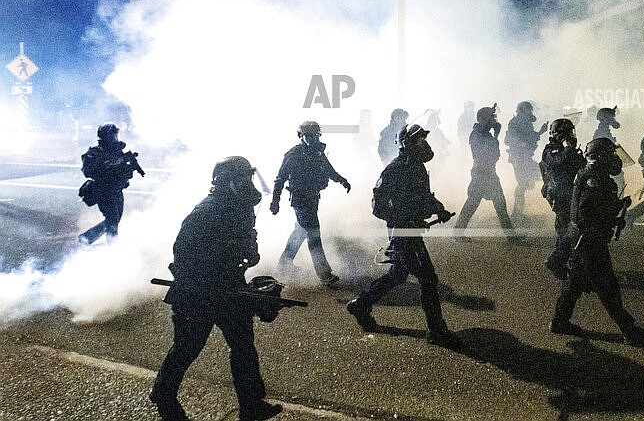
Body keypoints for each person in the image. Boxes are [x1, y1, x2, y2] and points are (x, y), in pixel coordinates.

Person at [150, 156, 283, 421]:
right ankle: (163, 392)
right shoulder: (206, 212)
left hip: (229, 286)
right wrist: (216, 269)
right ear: (225, 181)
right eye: (242, 178)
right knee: (188, 347)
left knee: (243, 344)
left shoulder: (241, 207)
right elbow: (183, 253)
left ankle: (252, 405)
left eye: (249, 177)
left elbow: (246, 241)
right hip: (197, 291)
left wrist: (249, 254)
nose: (248, 183)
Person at [346, 124, 460, 348]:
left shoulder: (416, 167)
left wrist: (439, 209)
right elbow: (377, 206)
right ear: (406, 143)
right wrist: (401, 220)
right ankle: (436, 329)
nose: (424, 144)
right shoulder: (395, 169)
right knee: (428, 277)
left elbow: (423, 197)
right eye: (419, 141)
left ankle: (361, 304)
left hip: (410, 230)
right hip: (403, 232)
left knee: (398, 274)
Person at [550, 137, 644, 345]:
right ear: (600, 156)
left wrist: (618, 205)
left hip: (584, 239)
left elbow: (596, 206)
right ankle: (628, 329)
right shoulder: (593, 177)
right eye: (610, 154)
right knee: (607, 285)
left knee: (573, 284)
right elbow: (587, 212)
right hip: (589, 241)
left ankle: (559, 322)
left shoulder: (595, 175)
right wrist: (612, 213)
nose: (614, 159)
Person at [270, 121, 351, 289]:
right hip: (301, 200)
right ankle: (324, 274)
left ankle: (284, 264)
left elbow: (329, 170)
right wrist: (275, 201)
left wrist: (342, 180)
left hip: (312, 198)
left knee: (300, 232)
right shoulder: (294, 154)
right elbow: (280, 178)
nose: (314, 139)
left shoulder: (317, 152)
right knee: (314, 234)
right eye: (310, 136)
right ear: (300, 136)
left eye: (316, 135)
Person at [452, 105, 519, 242]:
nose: (494, 120)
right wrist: (496, 135)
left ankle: (511, 236)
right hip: (481, 174)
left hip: (487, 173)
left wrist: (495, 135)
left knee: (499, 204)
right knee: (472, 204)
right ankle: (458, 232)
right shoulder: (477, 135)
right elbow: (493, 154)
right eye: (491, 117)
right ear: (483, 119)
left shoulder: (482, 133)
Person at [78, 123, 143, 245]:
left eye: (115, 135)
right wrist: (109, 165)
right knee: (112, 220)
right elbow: (87, 171)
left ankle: (86, 238)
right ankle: (112, 247)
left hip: (117, 190)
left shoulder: (117, 151)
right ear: (105, 136)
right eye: (112, 135)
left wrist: (127, 165)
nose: (115, 138)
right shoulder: (95, 153)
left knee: (114, 219)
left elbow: (123, 170)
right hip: (103, 191)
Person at [539, 118, 586, 280]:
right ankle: (557, 260)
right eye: (568, 133)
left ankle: (565, 259)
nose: (571, 136)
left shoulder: (570, 150)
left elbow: (581, 165)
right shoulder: (551, 150)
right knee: (566, 227)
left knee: (571, 226)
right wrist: (567, 148)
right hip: (558, 194)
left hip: (570, 192)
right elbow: (560, 162)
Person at [505, 101, 548, 224]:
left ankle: (517, 213)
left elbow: (529, 137)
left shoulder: (525, 122)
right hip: (519, 157)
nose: (530, 112)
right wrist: (536, 135)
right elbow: (518, 139)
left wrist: (540, 132)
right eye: (528, 110)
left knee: (529, 180)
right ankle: (517, 214)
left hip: (525, 157)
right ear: (522, 110)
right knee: (522, 184)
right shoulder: (514, 123)